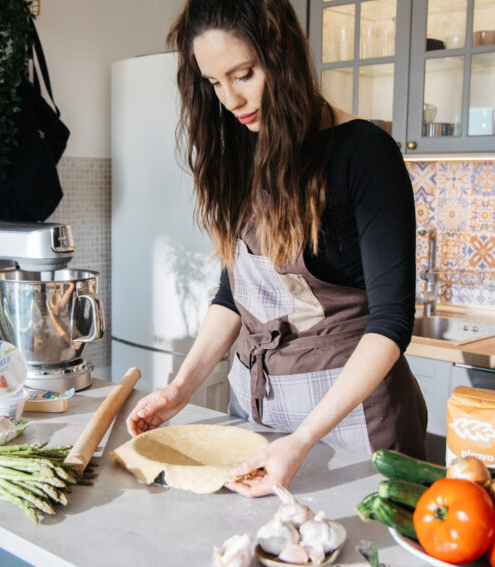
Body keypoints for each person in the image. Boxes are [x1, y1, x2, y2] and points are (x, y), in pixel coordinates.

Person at [126, 0, 427, 498]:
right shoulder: (245, 149)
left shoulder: (365, 153)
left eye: (243, 74)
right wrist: (180, 389)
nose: (230, 99)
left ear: (281, 56)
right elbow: (234, 296)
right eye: (214, 82)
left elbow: (392, 323)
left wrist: (304, 438)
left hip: (352, 423)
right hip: (260, 413)